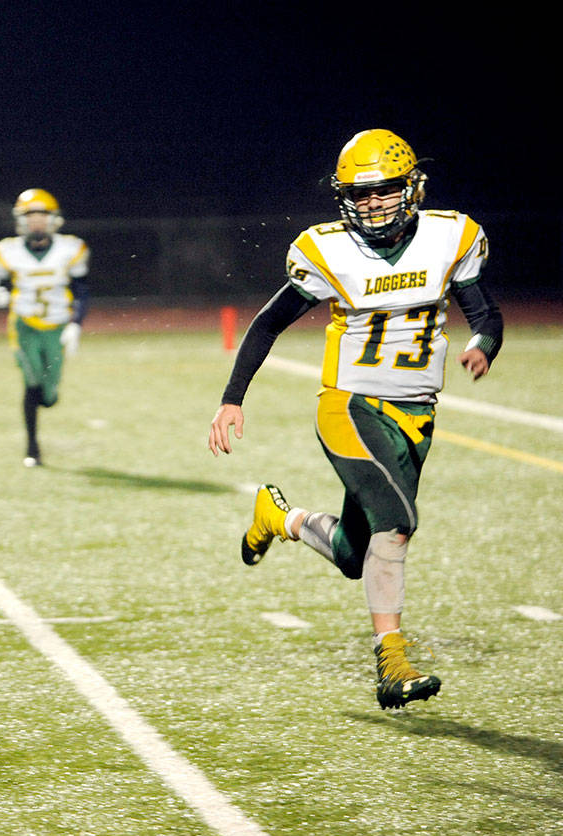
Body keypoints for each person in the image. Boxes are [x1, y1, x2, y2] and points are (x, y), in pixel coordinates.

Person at [207, 129, 503, 710]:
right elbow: (268, 322)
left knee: (352, 552)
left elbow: (482, 308)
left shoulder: (452, 236)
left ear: (410, 187)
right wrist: (232, 396)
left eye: (383, 191)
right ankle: (391, 660)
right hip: (349, 404)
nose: (371, 204)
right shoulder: (328, 250)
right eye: (358, 195)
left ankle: (279, 518)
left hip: (416, 414)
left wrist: (485, 342)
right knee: (396, 521)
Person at [0, 188, 89, 466]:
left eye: (42, 216)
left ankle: (44, 401)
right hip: (23, 325)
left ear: (53, 219)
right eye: (31, 216)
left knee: (49, 397)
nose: (37, 222)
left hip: (57, 326)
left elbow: (82, 289)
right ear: (21, 220)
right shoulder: (7, 251)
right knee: (32, 382)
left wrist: (76, 324)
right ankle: (32, 448)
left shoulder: (71, 249)